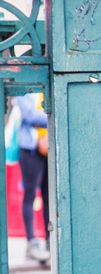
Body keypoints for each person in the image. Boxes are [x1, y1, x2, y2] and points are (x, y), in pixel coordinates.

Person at [15, 93, 49, 265]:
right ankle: (32, 242)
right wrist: (52, 114)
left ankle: (50, 242)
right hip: (30, 148)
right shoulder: (26, 89)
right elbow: (29, 114)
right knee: (30, 195)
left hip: (50, 145)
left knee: (49, 196)